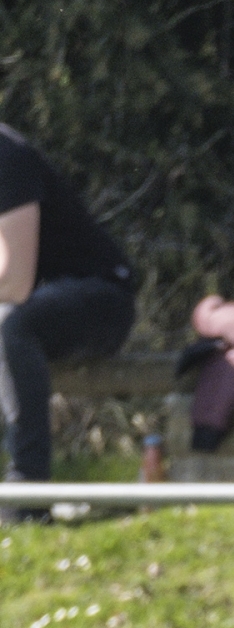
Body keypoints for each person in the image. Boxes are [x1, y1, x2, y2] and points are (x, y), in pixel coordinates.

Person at [0, 125, 135, 517]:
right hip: (30, 304)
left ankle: (28, 486)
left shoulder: (8, 156)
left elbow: (16, 281)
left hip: (102, 297)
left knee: (12, 324)